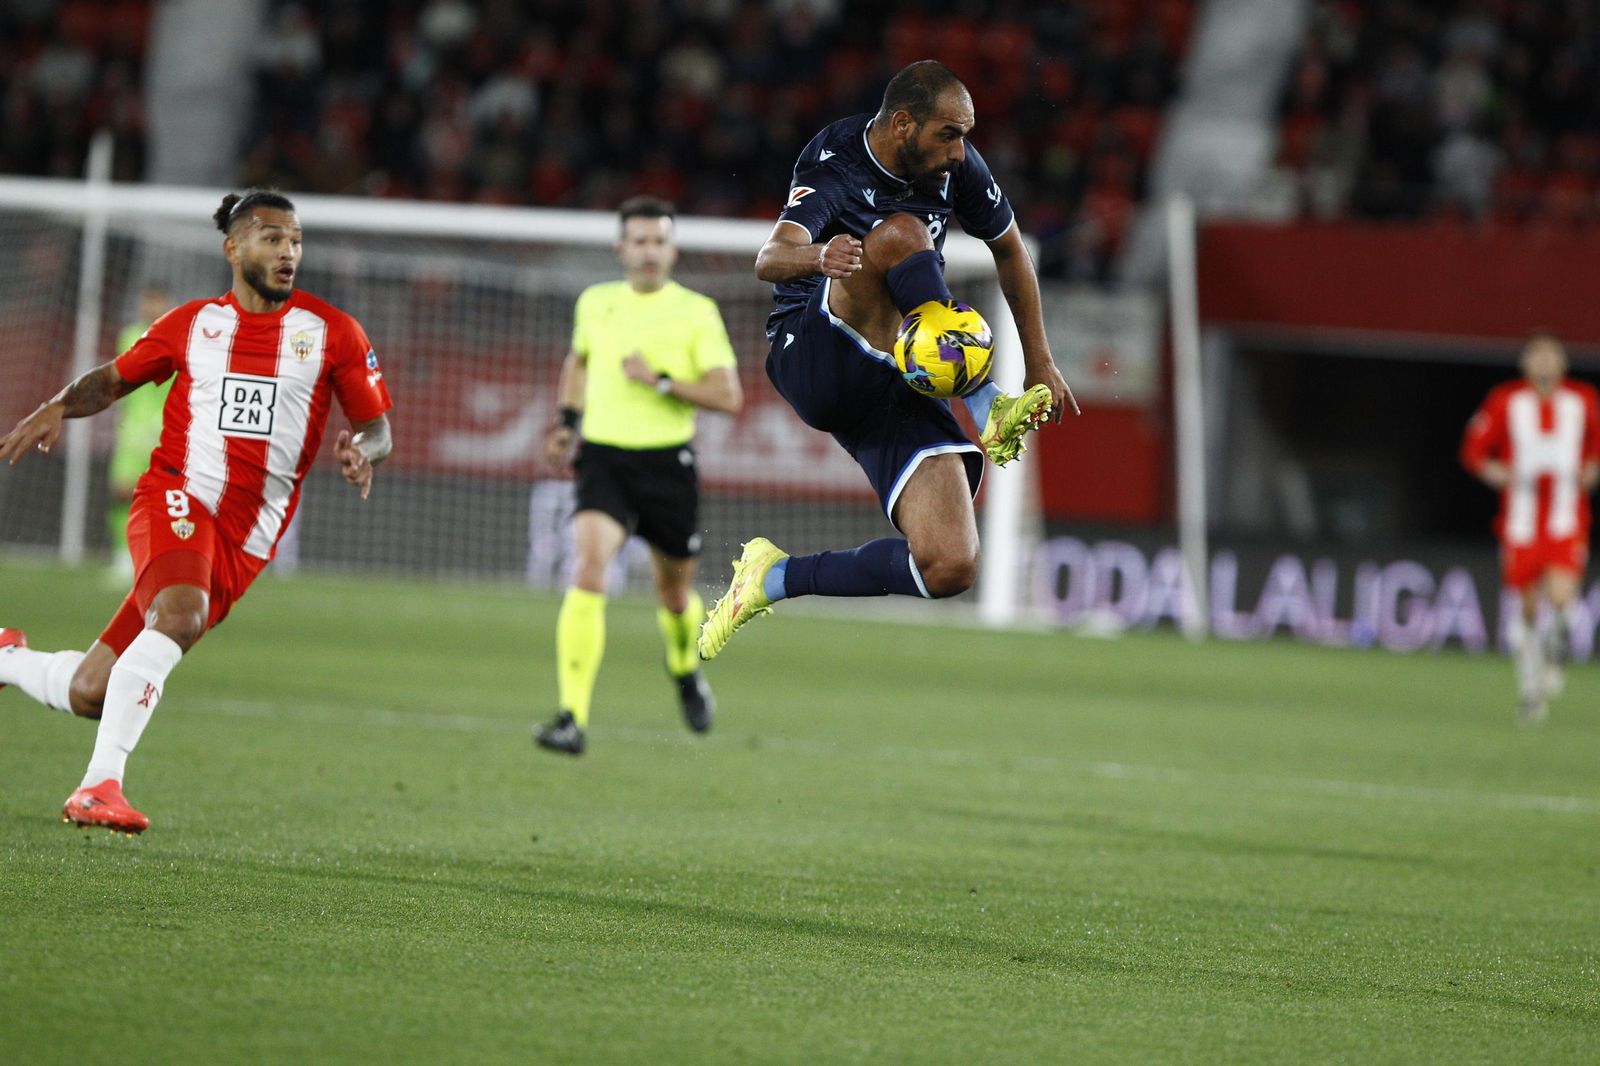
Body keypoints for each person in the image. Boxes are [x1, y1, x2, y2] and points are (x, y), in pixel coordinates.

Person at [0, 189, 394, 832]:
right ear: (232, 248)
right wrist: (57, 405)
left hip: (248, 537)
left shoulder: (332, 332)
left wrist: (365, 454)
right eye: (271, 237)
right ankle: (98, 787)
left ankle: (6, 659)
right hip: (177, 496)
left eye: (294, 239)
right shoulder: (192, 325)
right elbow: (114, 377)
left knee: (93, 692)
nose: (288, 251)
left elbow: (377, 428)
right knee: (181, 615)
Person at [698, 60, 1074, 659]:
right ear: (903, 124)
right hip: (816, 350)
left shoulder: (959, 168)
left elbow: (1010, 251)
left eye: (966, 135)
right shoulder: (836, 161)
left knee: (949, 564)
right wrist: (821, 256)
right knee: (901, 233)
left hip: (899, 375)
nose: (960, 151)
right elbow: (770, 258)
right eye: (949, 134)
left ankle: (771, 578)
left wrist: (1041, 361)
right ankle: (986, 402)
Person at [536, 195, 743, 755]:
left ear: (673, 249)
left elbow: (729, 395)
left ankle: (684, 671)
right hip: (602, 458)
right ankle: (571, 715)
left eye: (660, 241)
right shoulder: (595, 303)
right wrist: (565, 423)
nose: (650, 251)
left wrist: (661, 381)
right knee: (588, 568)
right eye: (640, 241)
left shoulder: (696, 311)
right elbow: (578, 360)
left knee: (674, 595)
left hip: (667, 465)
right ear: (621, 248)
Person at [1461, 332, 1600, 723]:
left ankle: (1558, 644)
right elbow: (1473, 451)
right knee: (1524, 609)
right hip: (1520, 523)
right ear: (1525, 363)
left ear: (1562, 363)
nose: (1543, 362)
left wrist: (1592, 469)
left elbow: (1596, 449)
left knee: (1560, 596)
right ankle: (1531, 690)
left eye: (1550, 356)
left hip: (1566, 518)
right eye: (1536, 355)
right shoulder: (1506, 400)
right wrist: (1496, 472)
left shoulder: (1582, 400)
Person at [106, 285, 176, 583]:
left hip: (166, 429)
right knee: (122, 493)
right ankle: (124, 558)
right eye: (147, 302)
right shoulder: (128, 336)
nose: (151, 307)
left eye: (156, 302)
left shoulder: (176, 337)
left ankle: (165, 560)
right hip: (132, 429)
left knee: (166, 500)